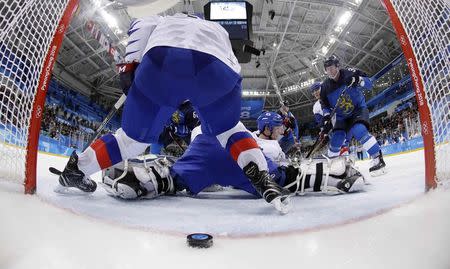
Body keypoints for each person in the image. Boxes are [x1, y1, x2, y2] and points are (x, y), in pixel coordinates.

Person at [53, 13, 290, 213]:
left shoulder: (165, 20)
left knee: (131, 141)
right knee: (229, 131)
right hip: (217, 69)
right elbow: (233, 66)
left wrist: (129, 68)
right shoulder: (217, 28)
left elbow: (140, 26)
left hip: (162, 60)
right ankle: (263, 178)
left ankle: (77, 169)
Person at [101, 111, 365, 201]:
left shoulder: (195, 116)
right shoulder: (267, 144)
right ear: (265, 128)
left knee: (173, 176)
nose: (280, 131)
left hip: (204, 144)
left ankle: (145, 179)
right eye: (277, 128)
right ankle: (334, 173)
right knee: (289, 177)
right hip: (244, 151)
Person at [319, 55, 386, 176]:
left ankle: (377, 159)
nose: (330, 71)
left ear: (338, 66)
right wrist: (326, 118)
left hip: (357, 110)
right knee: (336, 139)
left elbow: (370, 84)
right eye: (327, 69)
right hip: (341, 117)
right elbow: (324, 105)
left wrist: (359, 80)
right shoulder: (324, 87)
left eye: (332, 67)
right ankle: (332, 166)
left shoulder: (350, 73)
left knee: (359, 130)